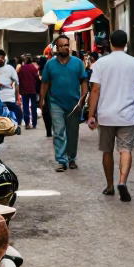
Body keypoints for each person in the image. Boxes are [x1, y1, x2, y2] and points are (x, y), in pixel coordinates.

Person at [87, 29, 134, 202]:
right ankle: (122, 181)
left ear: (110, 43)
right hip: (127, 115)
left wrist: (91, 115)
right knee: (125, 149)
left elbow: (95, 90)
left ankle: (110, 185)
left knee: (107, 151)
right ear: (126, 43)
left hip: (106, 115)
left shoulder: (101, 63)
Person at [39, 34, 88, 172]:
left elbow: (84, 82)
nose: (64, 48)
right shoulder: (50, 64)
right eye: (61, 45)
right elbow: (45, 84)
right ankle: (61, 160)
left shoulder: (78, 63)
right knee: (59, 131)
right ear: (56, 48)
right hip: (56, 102)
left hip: (74, 103)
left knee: (73, 132)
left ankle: (71, 158)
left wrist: (82, 99)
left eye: (66, 45)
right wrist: (41, 100)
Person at [0, 49, 22, 124]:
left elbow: (17, 83)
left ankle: (17, 126)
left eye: (2, 58)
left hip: (9, 98)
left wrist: (17, 98)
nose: (0, 60)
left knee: (17, 113)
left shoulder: (10, 68)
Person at [17, 54, 41, 129]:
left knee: (26, 107)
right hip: (33, 90)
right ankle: (34, 123)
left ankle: (27, 123)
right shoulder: (33, 68)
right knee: (33, 107)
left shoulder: (22, 68)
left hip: (24, 90)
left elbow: (18, 78)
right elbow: (37, 77)